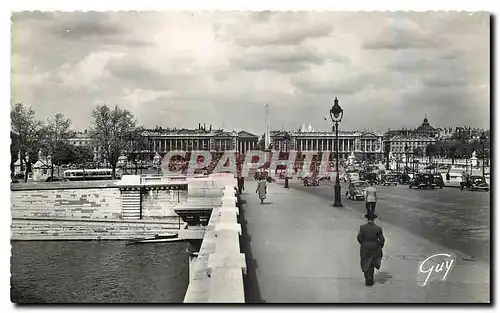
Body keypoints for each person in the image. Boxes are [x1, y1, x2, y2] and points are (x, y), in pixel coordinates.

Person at [357, 212, 385, 286]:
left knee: (365, 262)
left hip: (365, 247)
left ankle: (367, 277)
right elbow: (382, 239)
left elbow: (359, 237)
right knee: (371, 263)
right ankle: (370, 278)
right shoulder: (378, 228)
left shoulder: (362, 227)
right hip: (374, 247)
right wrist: (379, 246)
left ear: (367, 219)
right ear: (374, 219)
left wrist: (363, 243)